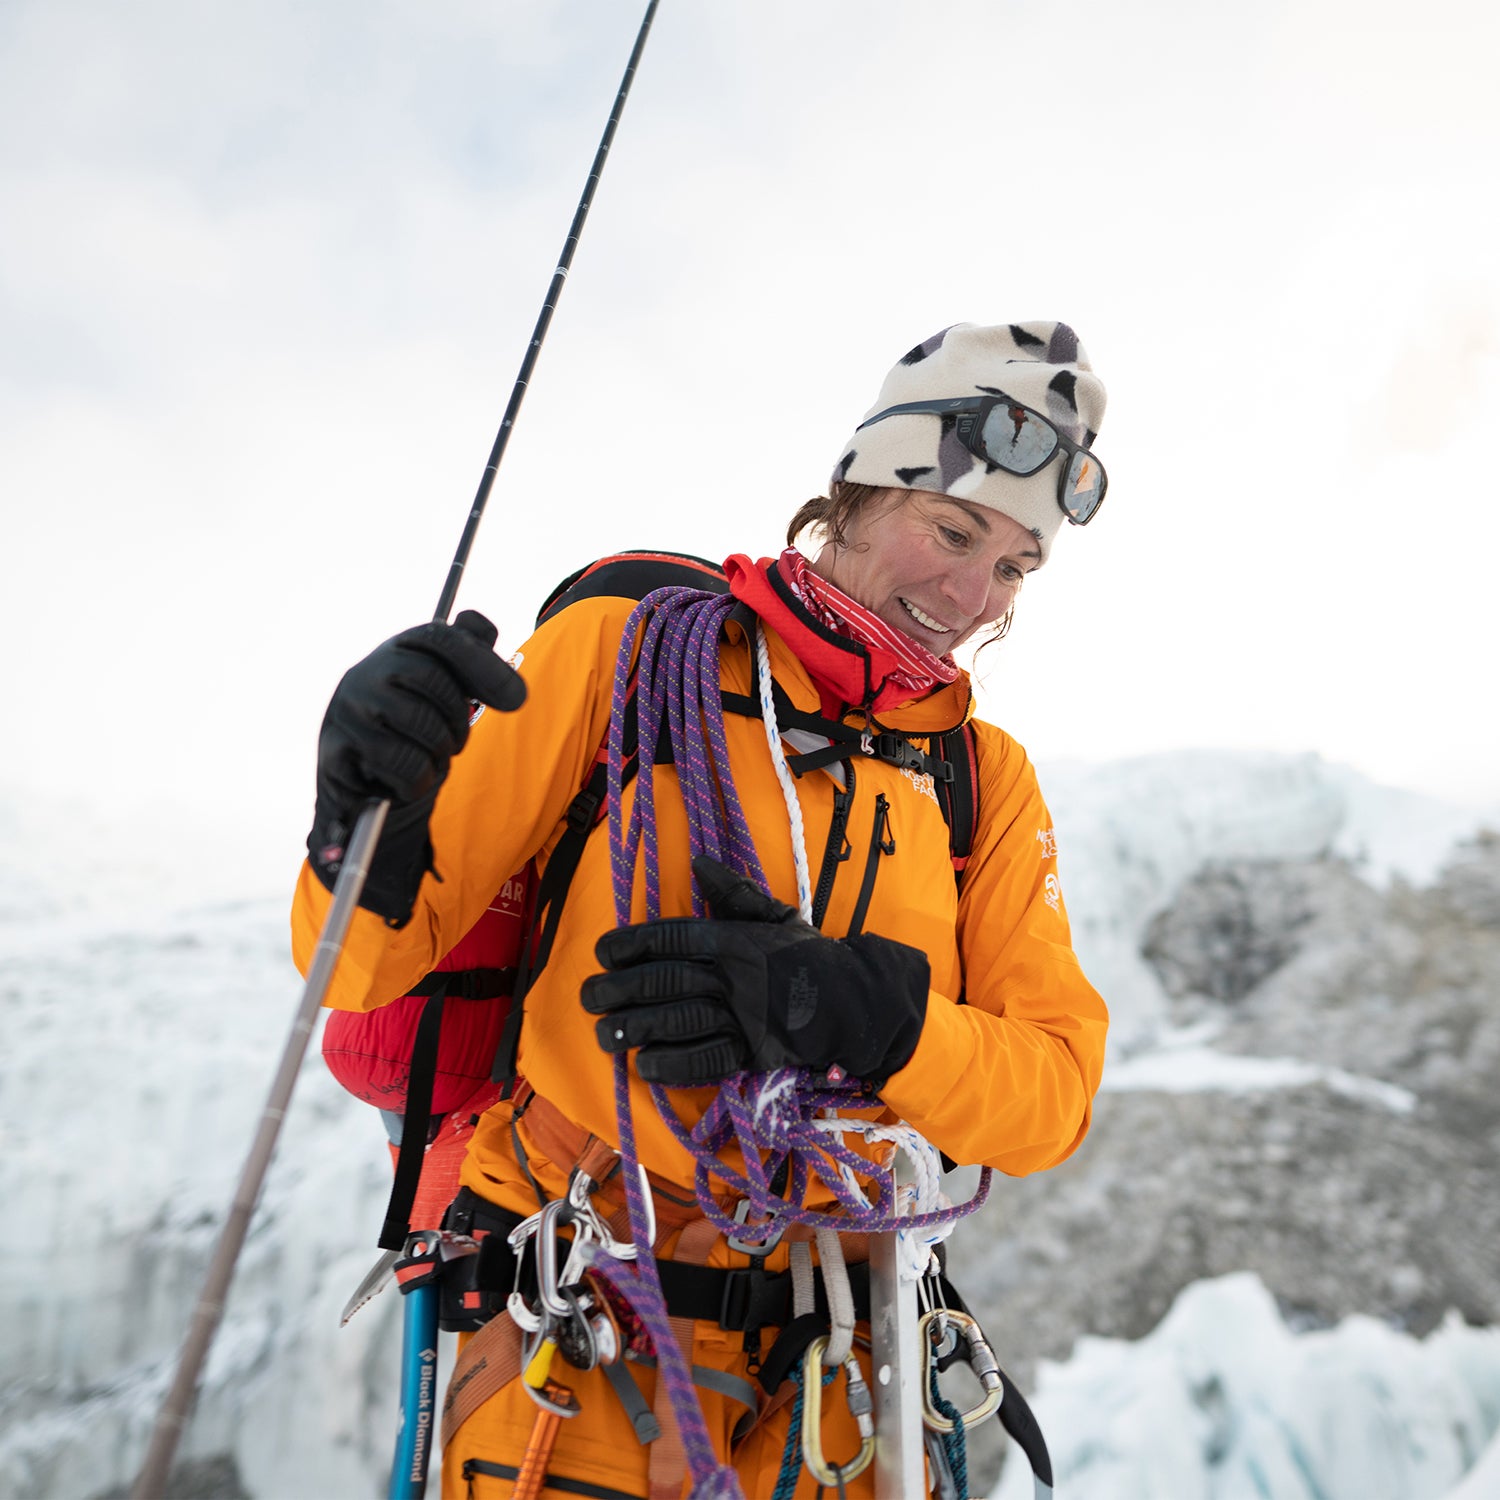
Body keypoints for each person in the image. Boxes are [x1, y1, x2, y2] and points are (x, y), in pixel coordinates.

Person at [292, 320, 1110, 1499]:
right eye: (954, 529)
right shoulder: (627, 650)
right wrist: (360, 822)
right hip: (585, 1303)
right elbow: (357, 965)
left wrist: (876, 1021)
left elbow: (1051, 1098)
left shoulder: (980, 779)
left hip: (844, 1339)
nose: (973, 593)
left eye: (1016, 566)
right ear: (864, 493)